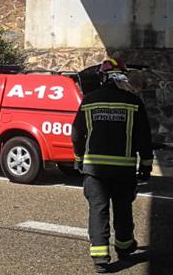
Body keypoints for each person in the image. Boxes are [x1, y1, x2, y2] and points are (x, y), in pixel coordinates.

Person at [72, 58, 153, 273]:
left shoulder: (88, 101)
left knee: (98, 210)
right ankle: (124, 247)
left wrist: (79, 159)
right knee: (123, 208)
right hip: (123, 169)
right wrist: (146, 165)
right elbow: (144, 137)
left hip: (94, 169)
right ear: (122, 77)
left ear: (102, 77)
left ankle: (101, 258)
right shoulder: (133, 102)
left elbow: (77, 134)